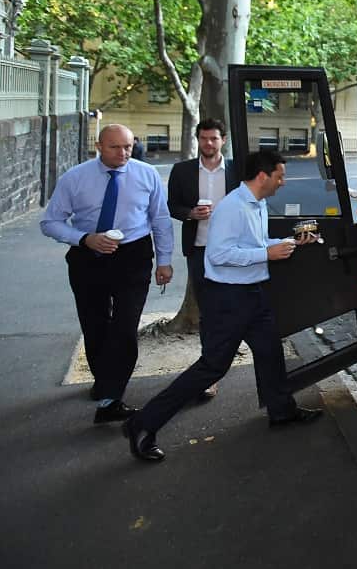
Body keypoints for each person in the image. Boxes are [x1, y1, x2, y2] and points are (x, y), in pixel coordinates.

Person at [123, 149, 323, 463]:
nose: (283, 182)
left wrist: (289, 243)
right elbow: (218, 255)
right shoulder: (232, 207)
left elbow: (254, 245)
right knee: (212, 368)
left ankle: (282, 411)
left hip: (252, 294)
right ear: (263, 176)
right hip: (227, 300)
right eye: (280, 176)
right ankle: (141, 424)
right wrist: (265, 255)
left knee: (270, 352)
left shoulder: (256, 203)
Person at [40, 124, 174, 423]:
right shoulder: (75, 178)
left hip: (133, 256)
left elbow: (160, 219)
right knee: (95, 325)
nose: (123, 153)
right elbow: (50, 222)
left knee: (125, 327)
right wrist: (84, 238)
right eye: (115, 147)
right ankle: (105, 384)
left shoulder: (147, 174)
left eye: (128, 146)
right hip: (88, 256)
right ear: (99, 146)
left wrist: (164, 261)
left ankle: (111, 397)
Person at [167, 118, 239, 399]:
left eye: (214, 138)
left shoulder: (236, 170)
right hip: (200, 251)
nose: (208, 143)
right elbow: (172, 205)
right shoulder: (182, 170)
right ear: (198, 140)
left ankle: (223, 357)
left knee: (234, 309)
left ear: (223, 140)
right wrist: (190, 213)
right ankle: (209, 373)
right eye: (204, 138)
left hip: (233, 250)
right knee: (207, 313)